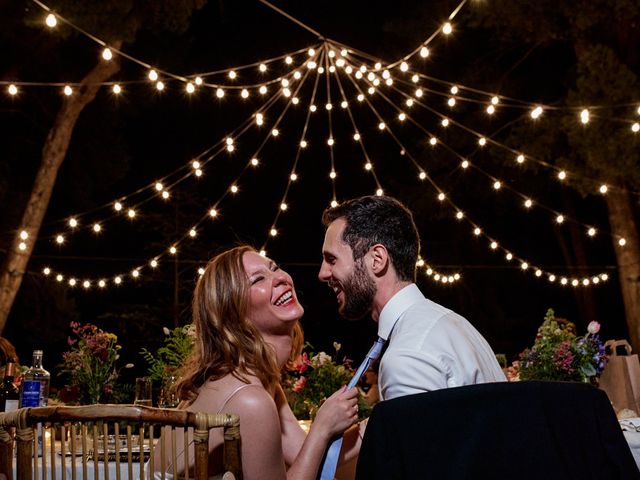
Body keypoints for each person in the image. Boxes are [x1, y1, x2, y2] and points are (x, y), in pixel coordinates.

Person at [152, 245, 359, 480]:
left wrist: (385, 420)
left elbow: (309, 455)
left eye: (275, 268)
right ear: (233, 314)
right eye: (258, 279)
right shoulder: (251, 399)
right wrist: (321, 427)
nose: (281, 277)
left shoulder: (258, 382)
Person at [319, 195, 506, 402]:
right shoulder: (454, 324)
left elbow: (418, 436)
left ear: (377, 259)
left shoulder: (408, 355)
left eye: (331, 259)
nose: (322, 273)